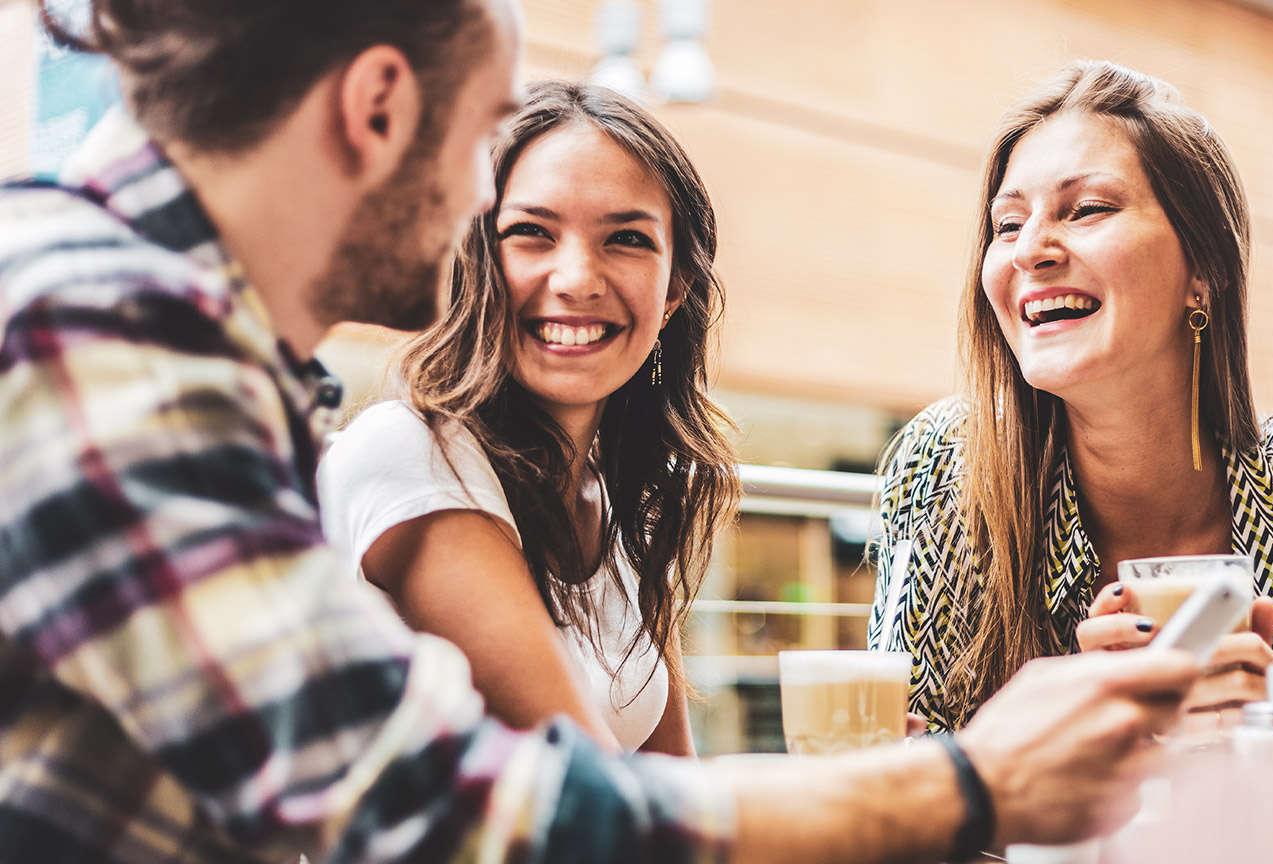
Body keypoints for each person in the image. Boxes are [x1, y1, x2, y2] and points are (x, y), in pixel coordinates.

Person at [0, 4, 1202, 862]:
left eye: (628, 238)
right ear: (375, 109)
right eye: (484, 148)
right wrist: (969, 787)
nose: (483, 207)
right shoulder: (99, 333)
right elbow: (430, 807)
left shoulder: (177, 340)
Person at [869, 59, 1273, 841]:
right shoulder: (944, 468)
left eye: (1085, 209)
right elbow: (891, 773)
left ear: (1205, 268)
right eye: (1007, 224)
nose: (1030, 250)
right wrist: (1048, 740)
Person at [317, 80, 736, 757]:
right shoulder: (414, 458)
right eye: (530, 233)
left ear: (672, 294)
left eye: (626, 238)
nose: (577, 278)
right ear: (474, 259)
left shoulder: (619, 499)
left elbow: (672, 786)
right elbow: (603, 804)